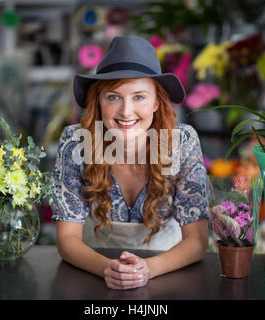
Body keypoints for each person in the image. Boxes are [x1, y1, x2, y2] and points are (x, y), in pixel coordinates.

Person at [51, 35, 209, 290]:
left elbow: (198, 241)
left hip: (169, 275)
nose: (126, 111)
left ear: (156, 101)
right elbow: (67, 239)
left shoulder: (182, 142)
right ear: (99, 101)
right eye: (113, 97)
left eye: (139, 97)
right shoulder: (76, 142)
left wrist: (148, 270)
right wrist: (106, 267)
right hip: (92, 273)